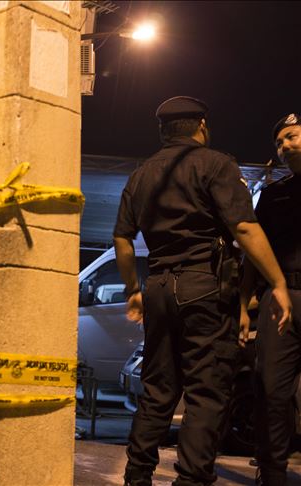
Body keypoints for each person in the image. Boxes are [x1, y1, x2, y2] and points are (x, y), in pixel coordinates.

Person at [113, 96, 292, 486]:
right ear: (202, 126)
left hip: (158, 286)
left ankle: (136, 475)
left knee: (158, 389)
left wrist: (133, 290)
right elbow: (243, 227)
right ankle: (191, 479)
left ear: (163, 131)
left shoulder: (141, 174)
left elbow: (122, 239)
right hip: (204, 286)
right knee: (207, 392)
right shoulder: (216, 164)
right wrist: (278, 282)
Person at [240, 113, 300, 486]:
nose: (284, 146)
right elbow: (253, 254)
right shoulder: (275, 194)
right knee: (271, 389)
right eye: (279, 142)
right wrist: (244, 305)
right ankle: (273, 472)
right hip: (281, 299)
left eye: (292, 136)